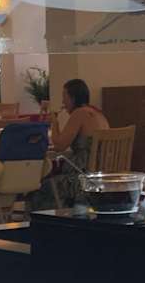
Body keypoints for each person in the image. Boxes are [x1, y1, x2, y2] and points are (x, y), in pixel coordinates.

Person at [32, 79, 109, 208]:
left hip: (84, 179)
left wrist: (54, 122)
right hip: (103, 177)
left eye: (64, 97)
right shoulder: (99, 114)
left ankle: (49, 219)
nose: (63, 102)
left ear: (73, 98)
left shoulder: (79, 113)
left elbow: (59, 146)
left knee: (39, 186)